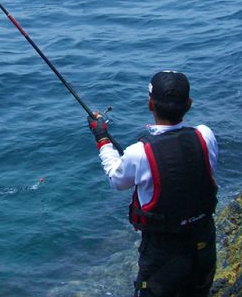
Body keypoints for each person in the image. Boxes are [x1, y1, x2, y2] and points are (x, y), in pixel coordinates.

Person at [88, 71, 219, 297]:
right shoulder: (205, 135)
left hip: (163, 252)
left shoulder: (139, 153)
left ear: (150, 104)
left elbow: (117, 180)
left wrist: (102, 138)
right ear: (189, 104)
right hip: (203, 241)